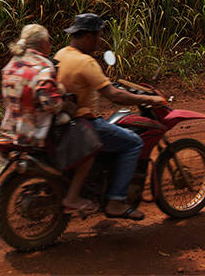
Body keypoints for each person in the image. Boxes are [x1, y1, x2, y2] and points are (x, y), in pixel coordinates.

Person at [54, 13, 166, 220]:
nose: (99, 42)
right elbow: (114, 96)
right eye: (98, 36)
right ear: (89, 36)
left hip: (65, 121)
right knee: (134, 143)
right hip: (83, 123)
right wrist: (149, 100)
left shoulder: (62, 54)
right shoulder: (86, 62)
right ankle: (116, 200)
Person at [0, 23, 96, 212]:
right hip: (36, 131)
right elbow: (49, 103)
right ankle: (73, 197)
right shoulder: (43, 66)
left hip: (12, 128)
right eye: (49, 41)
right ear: (43, 43)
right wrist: (65, 105)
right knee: (90, 145)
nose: (50, 44)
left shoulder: (12, 63)